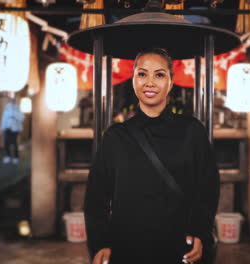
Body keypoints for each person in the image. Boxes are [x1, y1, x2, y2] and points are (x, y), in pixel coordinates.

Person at [84, 48, 220, 264]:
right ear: (133, 80)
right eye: (142, 73)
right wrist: (100, 242)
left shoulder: (192, 131)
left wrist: (200, 232)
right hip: (127, 247)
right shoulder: (116, 136)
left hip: (179, 247)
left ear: (171, 82)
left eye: (159, 74)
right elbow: (95, 197)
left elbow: (208, 189)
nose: (149, 82)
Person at [0, 96, 25, 164]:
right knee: (6, 143)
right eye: (10, 100)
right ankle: (8, 156)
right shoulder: (7, 108)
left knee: (14, 143)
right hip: (7, 127)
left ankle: (16, 157)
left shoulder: (17, 108)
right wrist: (2, 128)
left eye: (13, 100)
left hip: (15, 128)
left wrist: (14, 115)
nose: (12, 101)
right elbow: (4, 119)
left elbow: (22, 117)